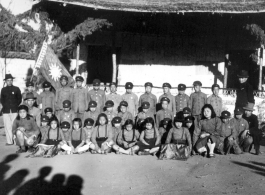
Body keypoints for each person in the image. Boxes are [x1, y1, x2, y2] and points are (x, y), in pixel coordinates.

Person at [1, 74, 22, 145]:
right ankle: (9, 141)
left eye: (11, 80)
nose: (9, 82)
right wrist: (5, 105)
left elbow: (19, 99)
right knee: (7, 126)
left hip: (14, 110)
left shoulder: (16, 89)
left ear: (12, 81)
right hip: (6, 110)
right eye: (8, 80)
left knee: (15, 125)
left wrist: (15, 105)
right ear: (6, 81)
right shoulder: (3, 90)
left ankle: (17, 141)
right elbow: (2, 100)